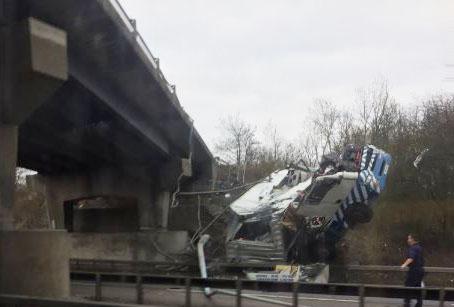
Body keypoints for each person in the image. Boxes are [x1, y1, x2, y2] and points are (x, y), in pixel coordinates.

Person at [401, 233, 425, 307]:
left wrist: (404, 265)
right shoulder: (419, 247)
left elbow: (411, 258)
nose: (408, 240)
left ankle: (407, 304)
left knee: (408, 286)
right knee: (418, 288)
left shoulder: (413, 248)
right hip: (420, 270)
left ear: (413, 239)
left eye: (409, 238)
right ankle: (419, 304)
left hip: (414, 271)